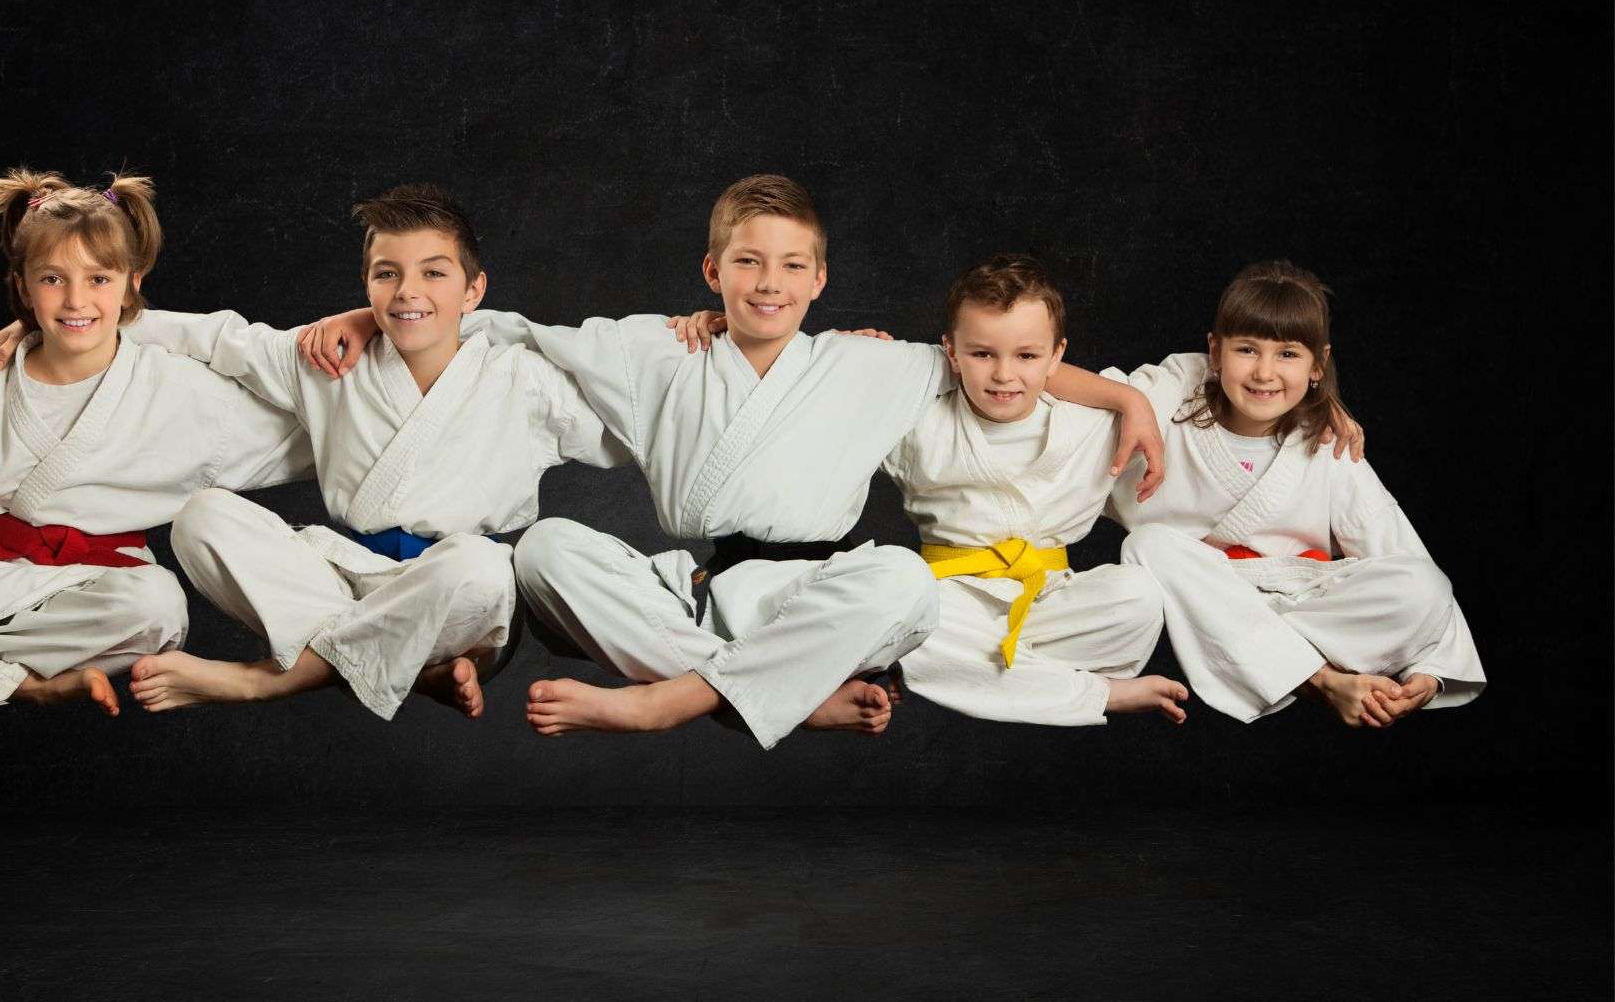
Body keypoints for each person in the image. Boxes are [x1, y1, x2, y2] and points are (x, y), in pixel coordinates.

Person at [299, 176, 1164, 747]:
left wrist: (1127, 399)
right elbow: (491, 322)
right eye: (747, 261)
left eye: (792, 264)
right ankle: (786, 695)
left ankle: (675, 698)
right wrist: (366, 317)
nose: (768, 282)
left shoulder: (872, 363)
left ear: (821, 279)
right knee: (544, 549)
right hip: (697, 592)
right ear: (713, 270)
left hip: (811, 593)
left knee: (902, 577)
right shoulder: (652, 351)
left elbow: (997, 353)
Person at [0, 185, 630, 720]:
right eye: (387, 274)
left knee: (482, 567)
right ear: (366, 284)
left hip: (459, 603)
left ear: (473, 292)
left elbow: (638, 419)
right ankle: (409, 670)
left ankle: (266, 682)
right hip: (340, 583)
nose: (408, 293)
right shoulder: (325, 356)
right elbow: (214, 338)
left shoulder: (526, 380)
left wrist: (706, 335)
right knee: (203, 516)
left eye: (434, 273)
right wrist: (51, 327)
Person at [0, 169, 311, 716]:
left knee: (157, 605)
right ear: (23, 285)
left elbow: (318, 429)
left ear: (134, 279)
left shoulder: (180, 390)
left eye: (99, 279)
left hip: (99, 598)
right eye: (53, 279)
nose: (75, 299)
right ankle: (23, 684)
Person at [1113, 261, 1485, 726]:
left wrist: (1429, 671)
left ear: (1318, 365)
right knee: (1149, 545)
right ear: (1214, 351)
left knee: (1424, 585)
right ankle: (1323, 679)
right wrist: (1130, 401)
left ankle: (1259, 650)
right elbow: (1055, 388)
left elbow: (1398, 548)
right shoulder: (1173, 396)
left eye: (1288, 354)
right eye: (1246, 349)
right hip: (1205, 586)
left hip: (1296, 601)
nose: (1265, 372)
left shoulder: (1329, 443)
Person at [880, 255, 1188, 726]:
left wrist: (1321, 399)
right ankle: (1097, 694)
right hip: (952, 600)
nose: (1004, 375)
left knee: (1139, 595)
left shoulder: (1090, 420)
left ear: (1057, 354)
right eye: (982, 354)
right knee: (898, 606)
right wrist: (858, 352)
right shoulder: (917, 420)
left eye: (1026, 356)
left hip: (1052, 603)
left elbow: (1199, 376)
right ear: (951, 351)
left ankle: (981, 676)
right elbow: (841, 386)